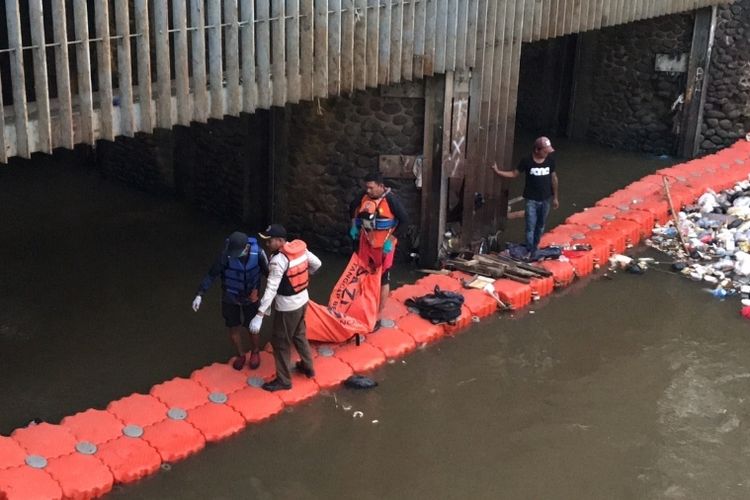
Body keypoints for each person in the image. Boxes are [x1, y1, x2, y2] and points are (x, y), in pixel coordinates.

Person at [249, 224, 322, 392]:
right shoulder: (300, 250)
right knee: (299, 334)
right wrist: (305, 275)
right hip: (303, 300)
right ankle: (308, 367)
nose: (267, 244)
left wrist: (260, 314)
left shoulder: (278, 261)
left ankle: (284, 380)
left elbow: (271, 288)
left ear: (281, 241)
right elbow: (317, 264)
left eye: (270, 241)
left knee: (280, 342)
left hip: (287, 307)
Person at [193, 231, 267, 370]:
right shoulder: (225, 255)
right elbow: (211, 275)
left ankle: (255, 352)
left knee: (253, 327)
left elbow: (270, 274)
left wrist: (262, 292)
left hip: (250, 297)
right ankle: (241, 354)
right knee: (233, 327)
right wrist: (200, 294)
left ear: (246, 248)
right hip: (230, 296)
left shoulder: (258, 254)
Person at [348, 171, 409, 330]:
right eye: (366, 187)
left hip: (384, 245)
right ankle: (361, 304)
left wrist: (391, 240)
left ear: (381, 186)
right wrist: (353, 225)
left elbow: (405, 221)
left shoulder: (391, 200)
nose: (368, 191)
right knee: (362, 272)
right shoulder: (364, 195)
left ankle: (377, 313)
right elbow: (352, 207)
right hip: (366, 242)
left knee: (383, 278)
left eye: (371, 188)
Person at [491, 136, 559, 255]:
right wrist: (498, 172)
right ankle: (530, 249)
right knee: (530, 226)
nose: (547, 154)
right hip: (531, 200)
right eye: (545, 151)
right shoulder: (527, 161)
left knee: (541, 225)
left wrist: (555, 198)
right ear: (537, 150)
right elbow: (514, 174)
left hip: (546, 199)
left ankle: (534, 247)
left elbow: (554, 178)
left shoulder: (550, 161)